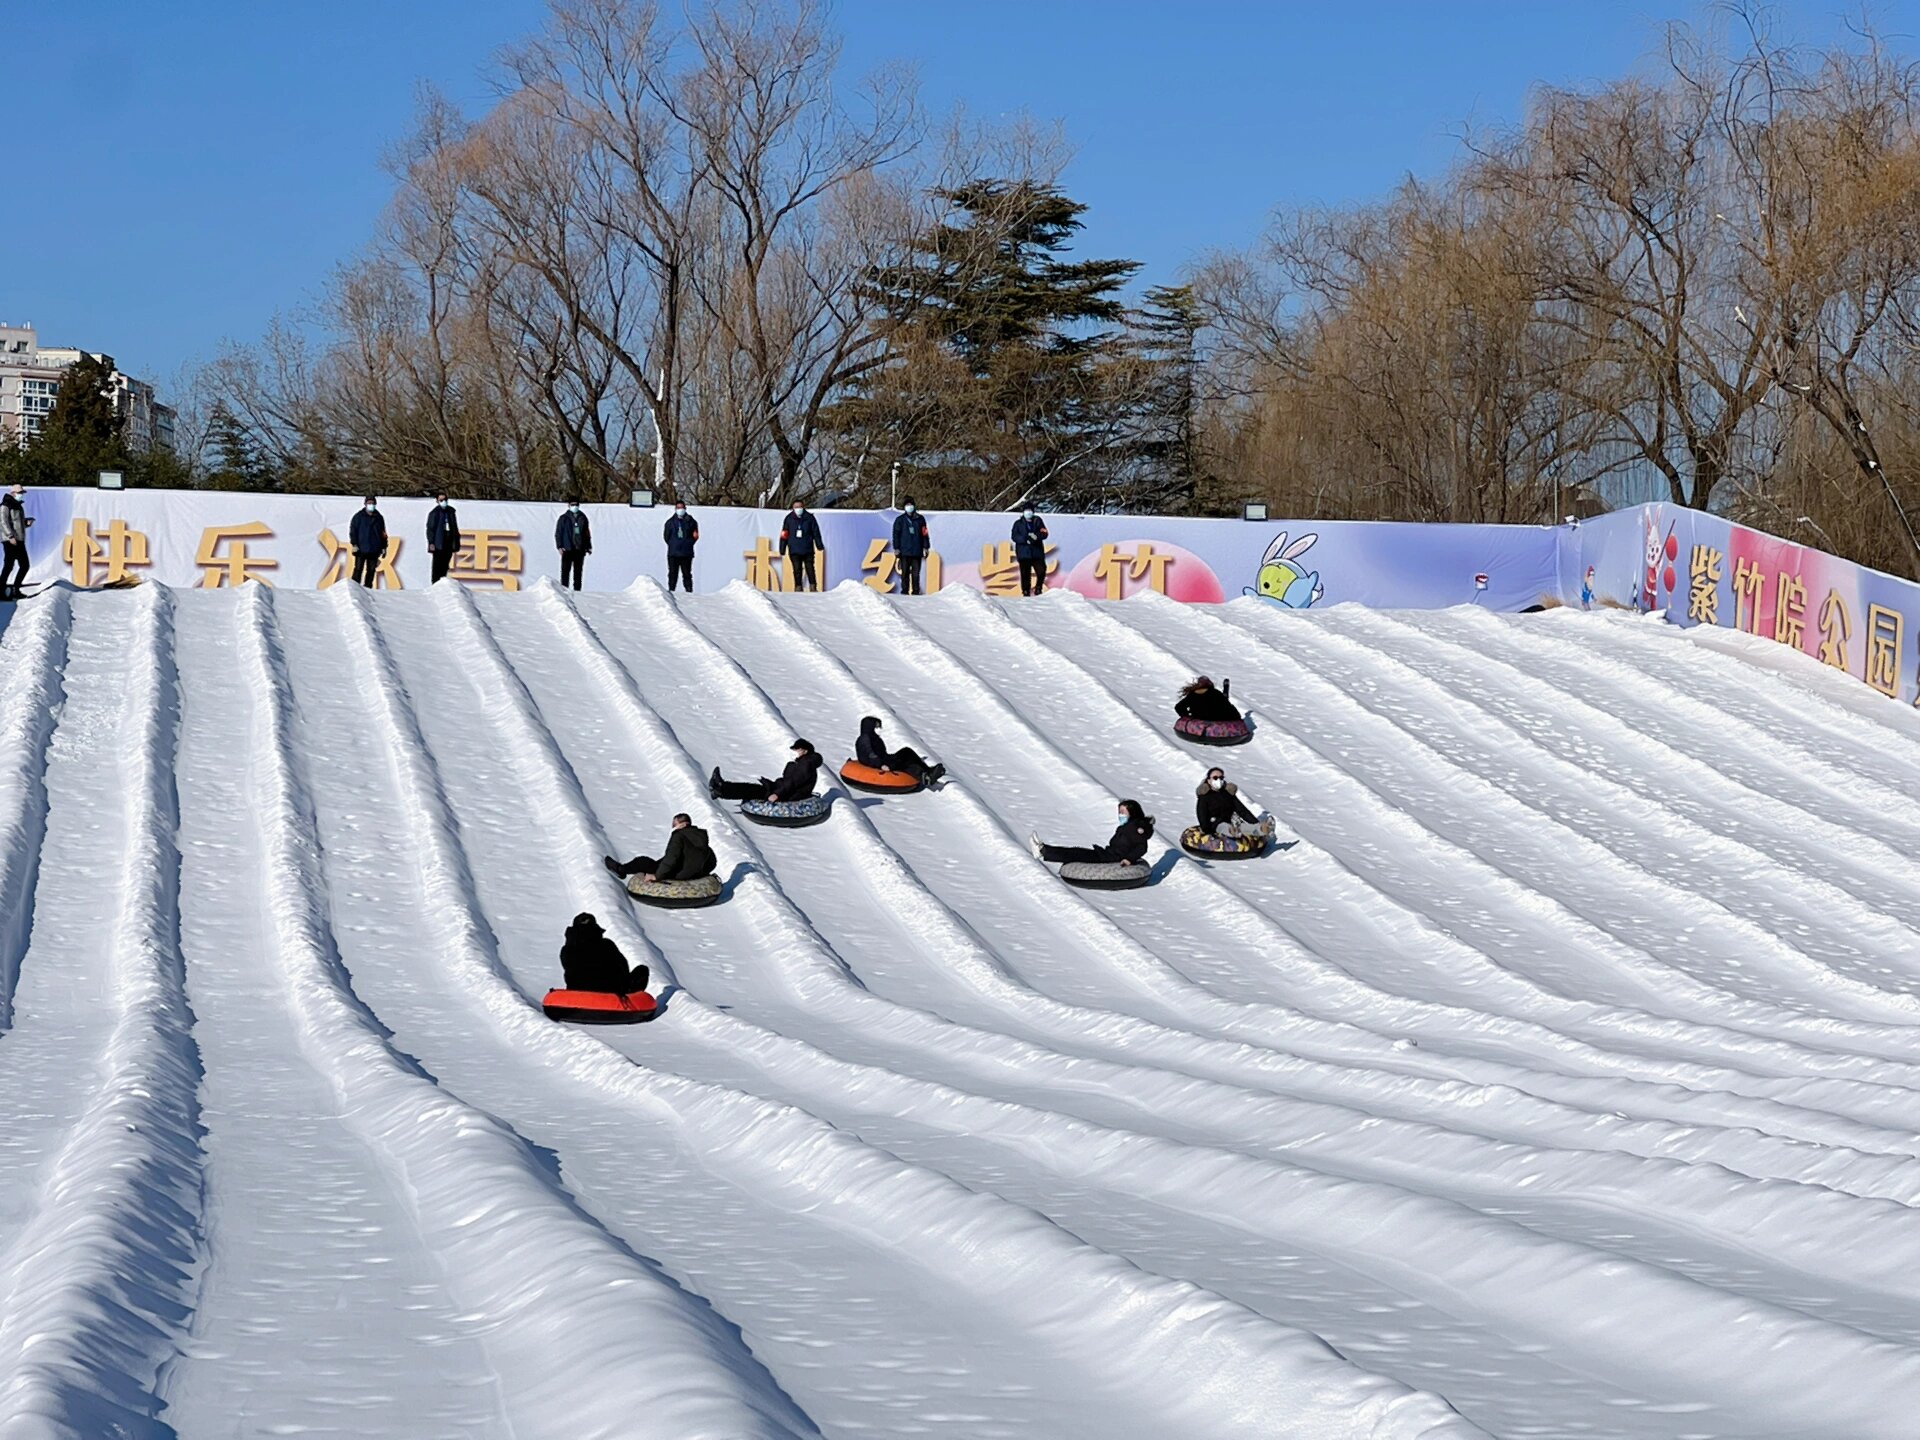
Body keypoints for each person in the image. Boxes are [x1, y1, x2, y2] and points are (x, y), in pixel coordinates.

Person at [1030, 800, 1155, 867]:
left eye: (1123, 812)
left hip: (1110, 860)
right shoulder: (1126, 827)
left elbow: (1141, 847)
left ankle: (1042, 851)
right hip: (1107, 855)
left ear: (1132, 812)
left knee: (1076, 853)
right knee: (1076, 851)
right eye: (1119, 812)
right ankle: (1043, 849)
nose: (1120, 815)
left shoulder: (1135, 829)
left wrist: (1128, 859)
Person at [605, 813, 716, 883]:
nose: (673, 828)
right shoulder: (702, 839)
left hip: (677, 874)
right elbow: (712, 862)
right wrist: (700, 874)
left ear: (682, 824)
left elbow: (671, 859)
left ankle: (620, 870)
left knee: (643, 861)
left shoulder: (679, 836)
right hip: (693, 874)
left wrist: (657, 876)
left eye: (674, 825)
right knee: (662, 861)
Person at [559, 912, 649, 994]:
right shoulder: (607, 945)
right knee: (642, 970)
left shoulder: (566, 950)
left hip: (577, 993)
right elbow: (623, 968)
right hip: (611, 993)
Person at [710, 738, 823, 803]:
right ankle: (721, 787)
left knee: (751, 790)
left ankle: (721, 790)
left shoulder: (806, 765)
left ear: (805, 751)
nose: (796, 752)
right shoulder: (803, 763)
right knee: (751, 788)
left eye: (798, 749)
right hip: (784, 790)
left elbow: (793, 782)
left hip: (789, 795)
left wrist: (777, 794)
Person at [854, 715, 945, 784]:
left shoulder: (872, 737)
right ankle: (925, 777)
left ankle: (928, 770)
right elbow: (871, 755)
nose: (877, 729)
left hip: (884, 759)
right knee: (904, 763)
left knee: (906, 751)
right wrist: (881, 765)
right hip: (876, 764)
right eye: (875, 726)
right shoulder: (865, 739)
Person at [1195, 767, 1269, 838]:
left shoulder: (1227, 794)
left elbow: (1242, 810)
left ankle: (1261, 829)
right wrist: (1207, 830)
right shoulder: (1204, 797)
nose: (1218, 780)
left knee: (1243, 827)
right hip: (1214, 824)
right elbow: (1202, 814)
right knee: (1224, 827)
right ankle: (1233, 832)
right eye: (1215, 778)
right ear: (1209, 780)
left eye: (1221, 778)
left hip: (1230, 821)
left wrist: (1255, 822)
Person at [779, 501, 823, 592]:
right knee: (797, 569)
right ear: (793, 508)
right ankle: (798, 587)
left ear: (803, 507)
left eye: (800, 506)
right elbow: (784, 534)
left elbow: (816, 532)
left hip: (808, 549)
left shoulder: (810, 518)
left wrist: (819, 545)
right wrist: (782, 548)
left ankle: (813, 586)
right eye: (796, 507)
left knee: (810, 568)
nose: (798, 509)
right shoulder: (788, 519)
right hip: (794, 549)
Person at [0, 483, 32, 601]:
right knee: (8, 565)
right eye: (19, 493)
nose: (21, 495)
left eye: (22, 493)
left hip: (19, 539)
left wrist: (25, 523)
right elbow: (3, 522)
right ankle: (1, 590)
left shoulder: (18, 506)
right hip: (9, 540)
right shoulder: (5, 506)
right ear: (13, 493)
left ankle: (16, 589)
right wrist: (10, 536)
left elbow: (17, 522)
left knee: (25, 565)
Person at [892, 501, 930, 596]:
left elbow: (924, 534)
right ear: (904, 507)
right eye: (907, 505)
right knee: (905, 573)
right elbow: (896, 534)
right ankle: (905, 591)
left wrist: (926, 547)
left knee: (916, 574)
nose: (909, 507)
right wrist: (896, 548)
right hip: (904, 551)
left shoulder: (920, 519)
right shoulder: (900, 520)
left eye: (911, 505)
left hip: (917, 551)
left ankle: (915, 592)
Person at [349, 496, 388, 588]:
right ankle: (354, 588)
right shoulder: (358, 517)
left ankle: (368, 588)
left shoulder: (379, 518)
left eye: (373, 503)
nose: (371, 505)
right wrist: (354, 544)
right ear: (365, 504)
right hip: (360, 548)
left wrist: (384, 546)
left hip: (374, 549)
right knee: (358, 569)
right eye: (369, 503)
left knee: (371, 570)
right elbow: (353, 531)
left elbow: (383, 533)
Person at [1011, 506, 1049, 596]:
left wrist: (1036, 536)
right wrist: (1025, 539)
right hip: (1023, 553)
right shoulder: (1018, 523)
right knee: (1025, 573)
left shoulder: (1038, 521)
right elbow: (1014, 536)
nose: (1028, 513)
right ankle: (1026, 591)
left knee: (1041, 570)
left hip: (1037, 552)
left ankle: (1038, 587)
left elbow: (1044, 533)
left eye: (1030, 511)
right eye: (1026, 510)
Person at [555, 498, 592, 591]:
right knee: (565, 572)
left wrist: (588, 546)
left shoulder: (583, 517)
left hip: (579, 549)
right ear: (568, 505)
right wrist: (559, 546)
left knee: (578, 572)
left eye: (576, 504)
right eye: (572, 505)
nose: (574, 506)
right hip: (567, 549)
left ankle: (577, 591)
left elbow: (587, 533)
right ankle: (564, 590)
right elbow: (558, 533)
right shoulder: (563, 518)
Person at [426, 492, 462, 584]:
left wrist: (456, 541)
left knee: (446, 563)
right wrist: (431, 542)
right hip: (439, 542)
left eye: (445, 500)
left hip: (449, 540)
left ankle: (443, 580)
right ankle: (435, 583)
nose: (444, 502)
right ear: (437, 501)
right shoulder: (434, 513)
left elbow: (455, 527)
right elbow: (430, 529)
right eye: (441, 500)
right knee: (437, 564)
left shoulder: (451, 512)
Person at [664, 502, 699, 592]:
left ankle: (689, 591)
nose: (680, 510)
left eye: (682, 507)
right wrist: (673, 544)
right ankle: (671, 591)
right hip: (673, 553)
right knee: (672, 574)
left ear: (685, 508)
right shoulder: (670, 522)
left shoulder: (691, 521)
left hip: (686, 553)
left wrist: (688, 543)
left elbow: (695, 536)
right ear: (675, 509)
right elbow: (666, 537)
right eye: (678, 508)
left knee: (687, 574)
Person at [1175, 676, 1241, 723]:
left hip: (1198, 722)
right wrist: (1237, 718)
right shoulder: (1215, 693)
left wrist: (1187, 717)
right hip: (1215, 721)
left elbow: (1179, 707)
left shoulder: (1192, 695)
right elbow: (1228, 707)